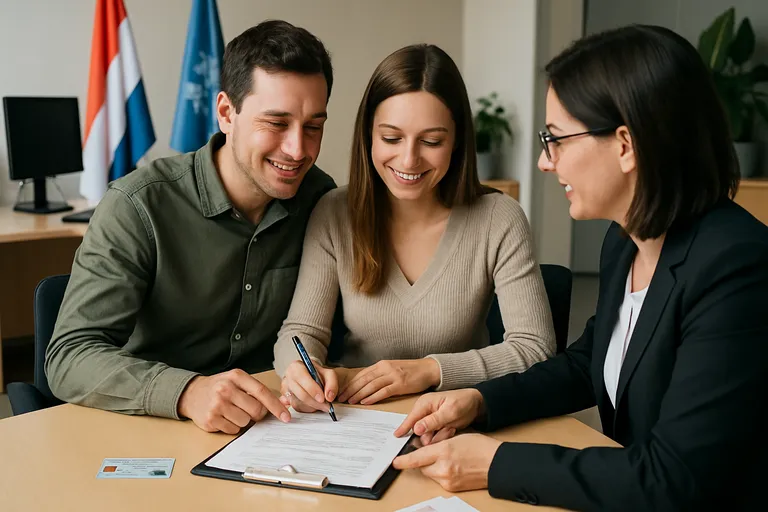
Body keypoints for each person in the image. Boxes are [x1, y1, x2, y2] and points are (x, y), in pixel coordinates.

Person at [390, 24, 768, 511]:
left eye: (556, 140)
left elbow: (673, 477)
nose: (546, 163)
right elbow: (587, 364)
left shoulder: (736, 267)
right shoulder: (625, 240)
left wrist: (495, 463)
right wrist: (481, 402)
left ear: (626, 144)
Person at [45, 20, 336, 435]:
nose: (298, 150)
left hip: (274, 429)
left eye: (313, 127)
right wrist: (186, 392)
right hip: (152, 427)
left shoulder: (321, 198)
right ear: (225, 113)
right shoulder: (138, 205)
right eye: (276, 123)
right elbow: (69, 356)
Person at [273, 44, 555, 415]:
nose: (408, 160)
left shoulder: (499, 219)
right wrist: (298, 369)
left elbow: (535, 347)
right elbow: (301, 331)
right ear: (368, 136)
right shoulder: (334, 213)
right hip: (351, 419)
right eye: (391, 138)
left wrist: (428, 371)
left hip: (455, 422)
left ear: (456, 142)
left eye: (432, 141)